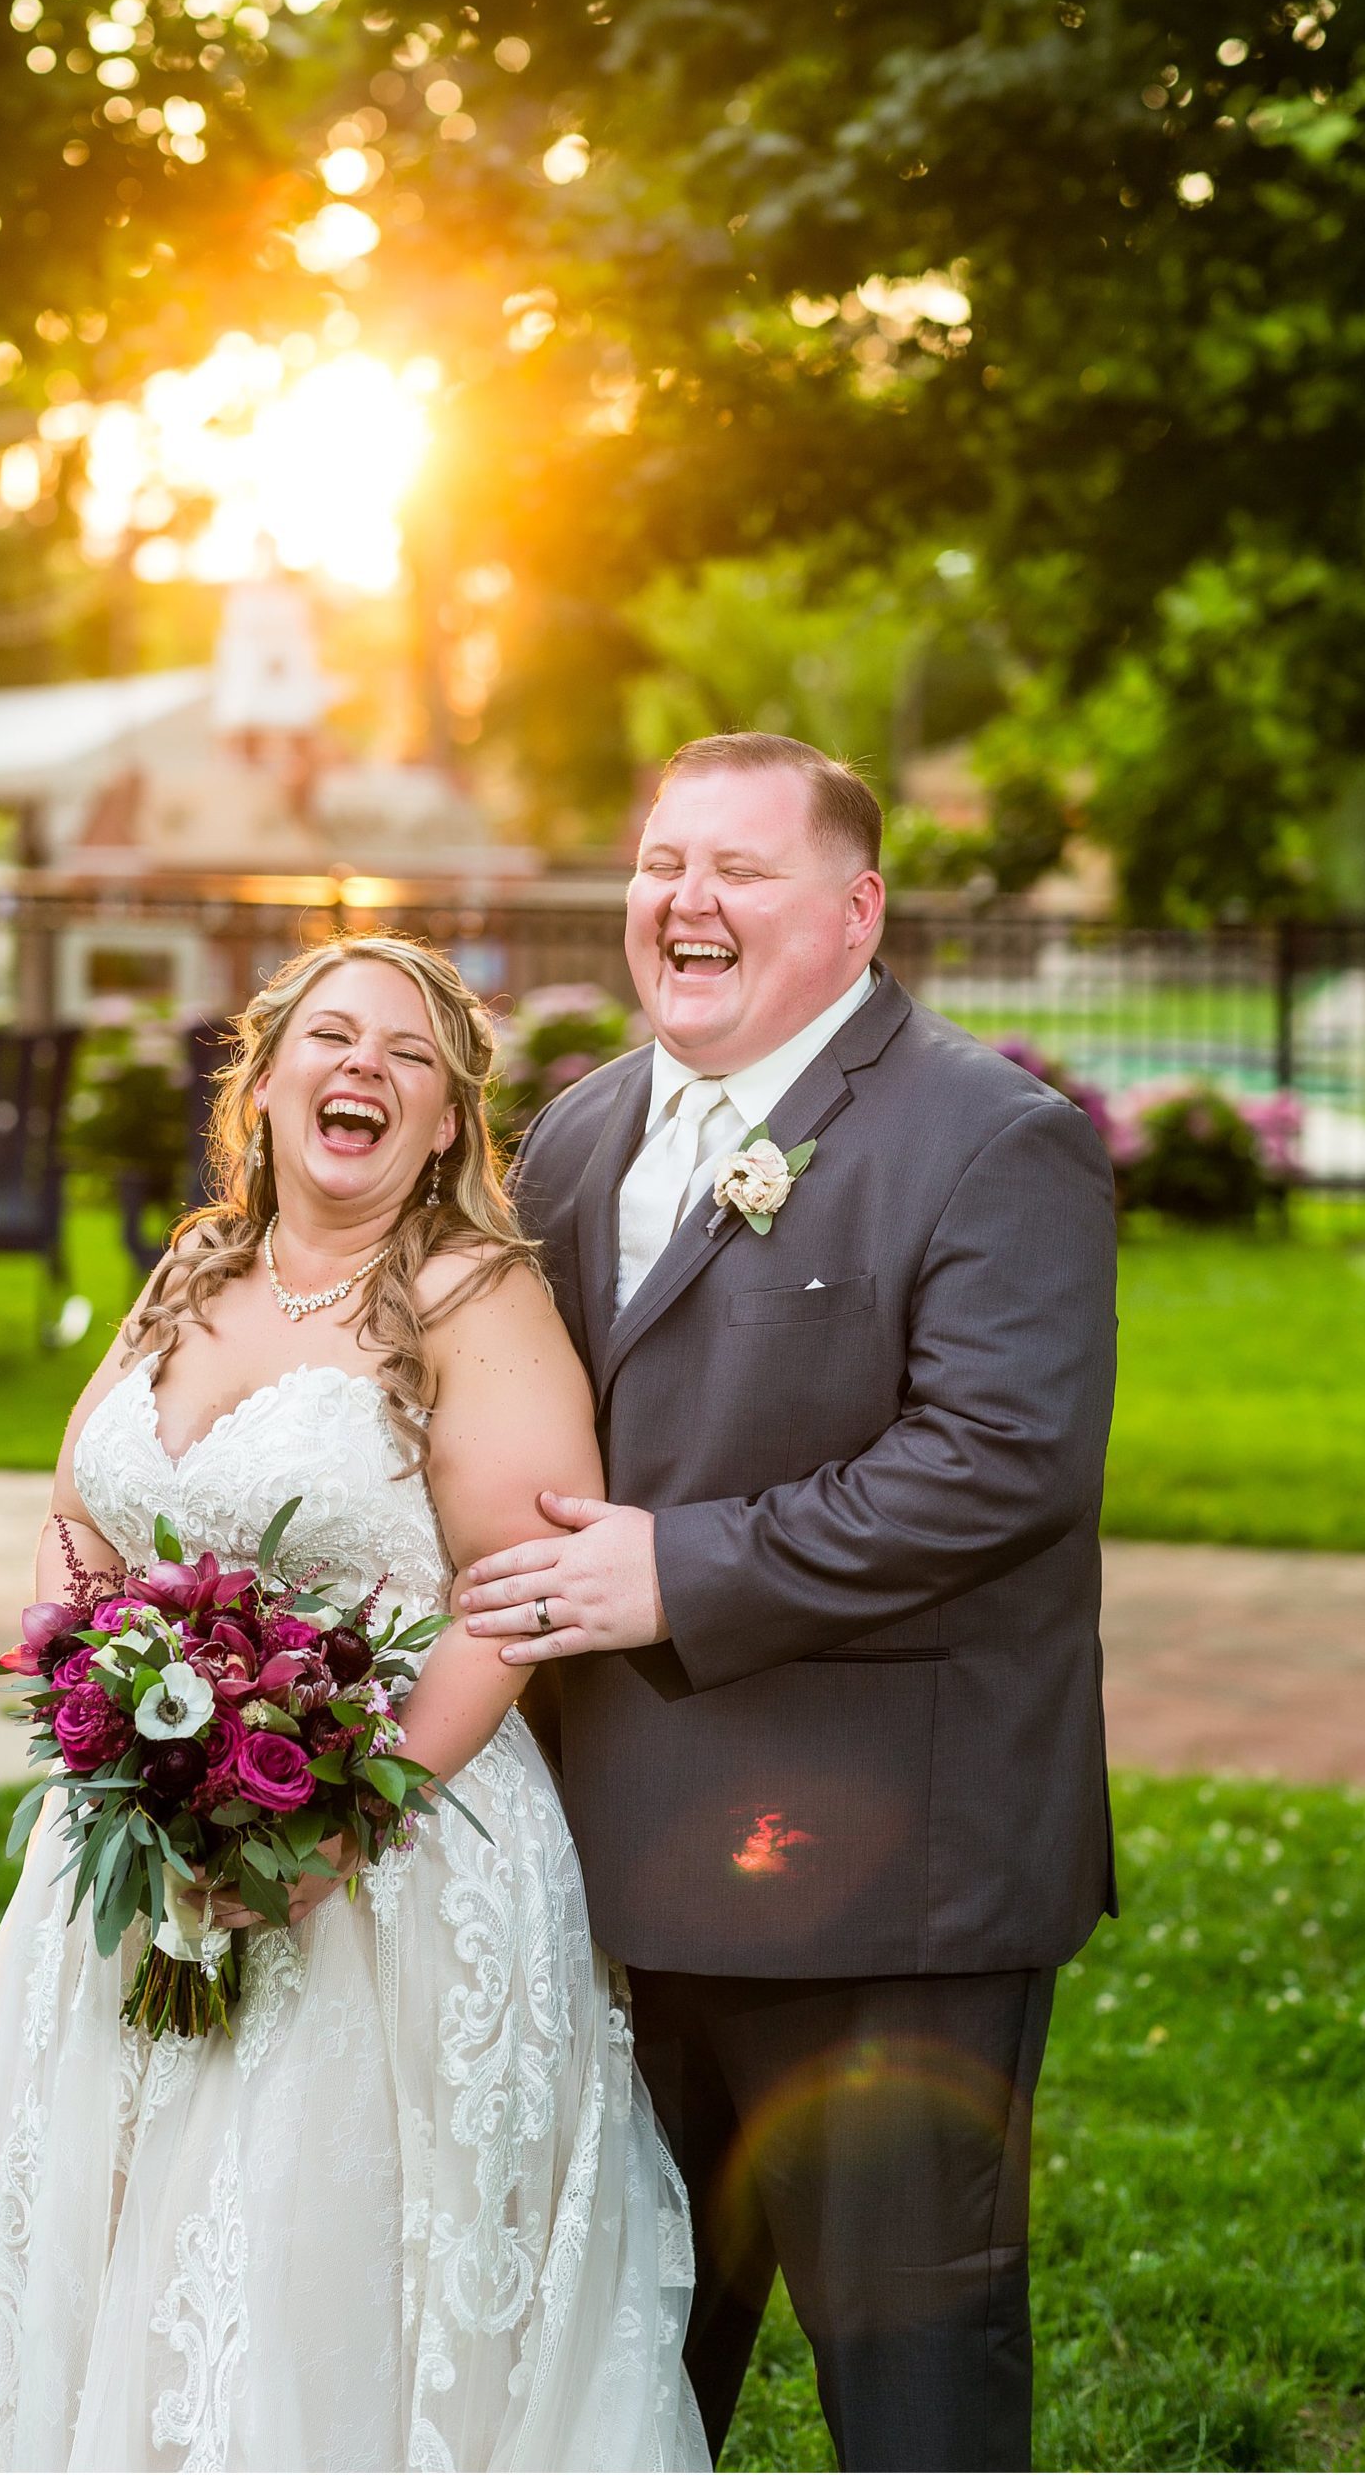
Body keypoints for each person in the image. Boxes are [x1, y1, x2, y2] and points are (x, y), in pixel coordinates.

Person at [0, 936, 707, 2475]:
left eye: (409, 1054)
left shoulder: (471, 1296)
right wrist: (103, 1706)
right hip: (135, 1847)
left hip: (391, 1857)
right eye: (329, 1036)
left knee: (310, 2253)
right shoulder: (197, 1268)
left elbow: (513, 1608)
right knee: (104, 2229)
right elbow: (79, 1513)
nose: (361, 1066)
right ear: (268, 1078)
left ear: (447, 1124)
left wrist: (333, 1838)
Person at [461, 732, 1119, 2474]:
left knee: (910, 2375)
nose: (687, 900)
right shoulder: (582, 1131)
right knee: (612, 2371)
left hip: (887, 1891)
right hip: (613, 1873)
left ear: (857, 908)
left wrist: (673, 1570)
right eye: (661, 862)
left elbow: (1001, 1462)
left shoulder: (993, 1140)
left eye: (741, 869)